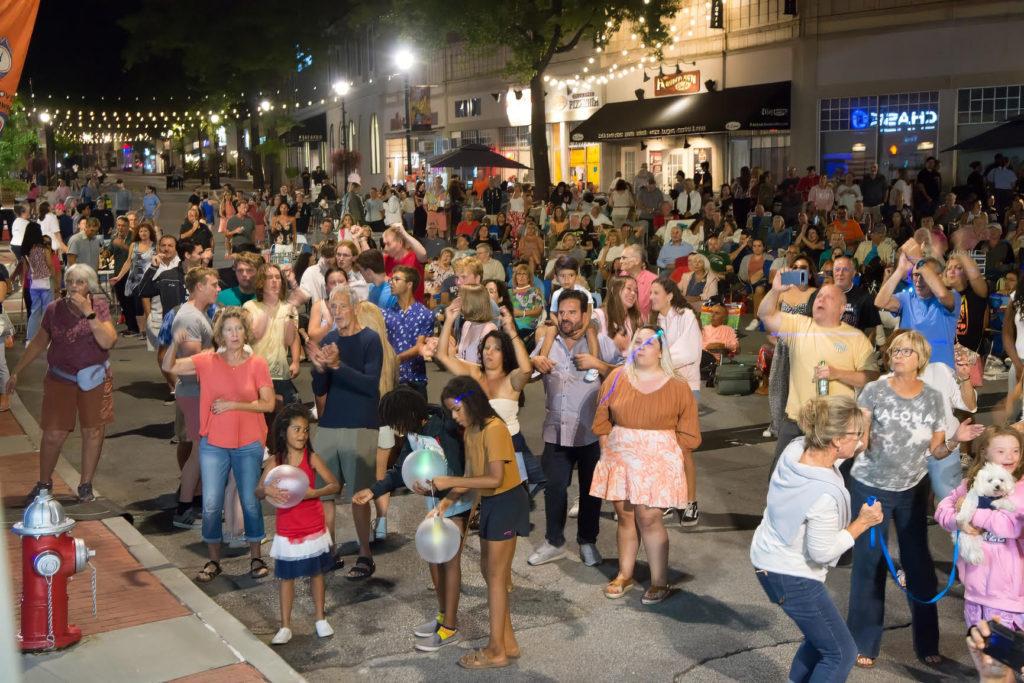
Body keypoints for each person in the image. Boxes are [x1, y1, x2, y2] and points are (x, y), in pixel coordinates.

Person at [847, 330, 978, 668]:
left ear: (921, 358)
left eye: (906, 350)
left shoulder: (933, 397)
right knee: (869, 564)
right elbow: (861, 435)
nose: (898, 354)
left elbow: (935, 451)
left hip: (911, 490)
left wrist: (955, 440)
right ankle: (863, 641)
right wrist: (850, 443)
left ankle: (927, 643)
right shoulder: (874, 390)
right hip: (870, 487)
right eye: (895, 350)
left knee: (918, 566)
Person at [750, 396, 883, 683]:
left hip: (768, 560)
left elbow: (854, 446)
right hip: (792, 576)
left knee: (820, 640)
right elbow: (822, 552)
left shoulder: (796, 448)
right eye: (856, 434)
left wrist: (864, 422)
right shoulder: (823, 494)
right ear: (835, 439)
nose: (861, 440)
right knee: (841, 653)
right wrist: (863, 523)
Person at [163, 307, 276, 582]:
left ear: (245, 332)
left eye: (238, 329)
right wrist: (174, 343)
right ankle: (213, 561)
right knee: (212, 503)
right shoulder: (206, 361)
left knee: (250, 501)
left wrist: (233, 405)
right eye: (228, 329)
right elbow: (169, 367)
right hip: (214, 443)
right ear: (220, 334)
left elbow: (268, 403)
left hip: (249, 441)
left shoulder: (257, 364)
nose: (234, 334)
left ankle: (256, 556)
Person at [591, 326, 700, 603]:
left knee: (649, 518)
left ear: (661, 350)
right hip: (621, 456)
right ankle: (625, 574)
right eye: (637, 341)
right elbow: (602, 419)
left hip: (657, 460)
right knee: (626, 517)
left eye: (648, 343)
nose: (641, 346)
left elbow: (689, 435)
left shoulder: (677, 385)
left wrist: (668, 459)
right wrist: (607, 450)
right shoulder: (616, 378)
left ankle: (659, 582)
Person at [429, 376, 529, 669]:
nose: (455, 417)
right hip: (492, 504)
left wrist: (449, 480)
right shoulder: (472, 430)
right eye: (451, 412)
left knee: (496, 578)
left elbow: (495, 478)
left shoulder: (494, 428)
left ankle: (496, 650)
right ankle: (507, 642)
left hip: (507, 501)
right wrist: (446, 502)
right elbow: (475, 475)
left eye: (458, 409)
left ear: (472, 402)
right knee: (490, 574)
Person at [8, 264, 118, 503]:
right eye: (70, 282)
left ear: (89, 285)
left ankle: (85, 484)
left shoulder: (98, 307)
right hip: (61, 378)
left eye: (80, 282)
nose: (74, 287)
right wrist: (16, 372)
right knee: (53, 434)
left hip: (94, 378)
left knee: (93, 431)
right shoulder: (53, 309)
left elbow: (108, 341)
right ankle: (44, 484)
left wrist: (89, 313)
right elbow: (39, 341)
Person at [529, 289, 619, 567]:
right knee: (554, 488)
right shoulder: (547, 342)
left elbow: (621, 375)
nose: (566, 318)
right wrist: (535, 362)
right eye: (562, 312)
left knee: (591, 491)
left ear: (584, 314)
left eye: (572, 312)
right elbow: (529, 374)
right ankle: (554, 541)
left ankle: (587, 541)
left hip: (592, 431)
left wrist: (598, 363)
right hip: (556, 429)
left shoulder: (601, 341)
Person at [759, 269, 879, 468]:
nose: (820, 300)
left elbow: (871, 377)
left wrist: (837, 374)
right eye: (819, 296)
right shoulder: (798, 325)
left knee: (829, 483)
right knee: (781, 477)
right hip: (796, 421)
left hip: (835, 425)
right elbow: (765, 314)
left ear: (842, 308)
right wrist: (775, 291)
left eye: (828, 297)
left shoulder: (856, 338)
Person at [306, 285, 383, 579]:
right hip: (330, 425)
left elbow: (369, 385)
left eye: (341, 306)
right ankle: (329, 550)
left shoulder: (370, 339)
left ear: (355, 307)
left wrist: (337, 366)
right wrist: (318, 370)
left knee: (359, 495)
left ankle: (365, 554)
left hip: (360, 424)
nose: (337, 312)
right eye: (332, 307)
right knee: (325, 493)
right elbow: (320, 389)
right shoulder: (330, 339)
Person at [436, 300, 546, 494]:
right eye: (486, 347)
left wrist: (511, 331)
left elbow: (527, 369)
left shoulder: (512, 379)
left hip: (511, 445)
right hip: (479, 443)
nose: (490, 352)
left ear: (505, 353)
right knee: (484, 493)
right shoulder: (474, 373)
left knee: (512, 495)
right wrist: (449, 321)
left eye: (496, 348)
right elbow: (443, 356)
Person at [258, 405, 340, 645]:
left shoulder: (312, 458)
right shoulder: (275, 461)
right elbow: (257, 491)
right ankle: (285, 626)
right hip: (288, 528)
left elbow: (334, 485)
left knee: (317, 573)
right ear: (284, 431)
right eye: (297, 429)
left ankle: (320, 618)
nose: (302, 434)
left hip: (312, 525)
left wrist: (315, 492)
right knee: (286, 577)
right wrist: (266, 489)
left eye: (305, 430)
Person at [935, 426, 1024, 636]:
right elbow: (942, 509)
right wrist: (959, 522)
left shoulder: (1020, 489)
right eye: (1001, 451)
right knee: (981, 652)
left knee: (1006, 656)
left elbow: (1009, 526)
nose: (1009, 456)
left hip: (1009, 593)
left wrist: (971, 513)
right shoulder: (969, 484)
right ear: (984, 452)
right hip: (975, 588)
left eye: (1016, 450)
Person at [649, 277, 703, 524]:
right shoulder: (657, 321)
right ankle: (670, 499)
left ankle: (690, 502)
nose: (651, 297)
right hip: (663, 388)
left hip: (685, 388)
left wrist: (658, 361)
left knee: (683, 450)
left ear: (670, 295)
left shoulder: (686, 317)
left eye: (656, 292)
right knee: (664, 449)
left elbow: (690, 352)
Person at [168, 267, 219, 529]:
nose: (218, 288)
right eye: (213, 284)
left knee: (201, 451)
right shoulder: (189, 317)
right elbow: (195, 363)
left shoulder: (197, 314)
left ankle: (194, 503)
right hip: (194, 391)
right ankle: (185, 508)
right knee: (199, 451)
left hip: (196, 391)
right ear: (199, 287)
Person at [353, 302, 400, 542]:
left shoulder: (357, 350)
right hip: (385, 425)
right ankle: (381, 523)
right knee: (381, 478)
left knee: (361, 481)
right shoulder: (391, 352)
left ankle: (364, 534)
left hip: (362, 424)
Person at [875, 254, 959, 369]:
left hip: (941, 371)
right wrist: (899, 271)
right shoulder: (906, 297)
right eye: (915, 275)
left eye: (923, 275)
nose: (918, 281)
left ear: (938, 277)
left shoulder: (953, 296)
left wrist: (919, 261)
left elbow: (943, 295)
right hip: (909, 369)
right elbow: (880, 302)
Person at [244, 264, 301, 417]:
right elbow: (254, 335)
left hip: (281, 372)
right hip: (256, 374)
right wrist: (268, 310)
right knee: (260, 422)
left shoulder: (289, 308)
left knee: (283, 422)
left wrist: (295, 361)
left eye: (277, 277)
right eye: (270, 278)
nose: (275, 281)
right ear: (261, 282)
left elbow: (290, 339)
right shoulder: (250, 306)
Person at [383, 265, 434, 398]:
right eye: (391, 280)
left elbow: (419, 347)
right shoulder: (386, 314)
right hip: (391, 380)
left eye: (396, 279)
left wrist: (394, 360)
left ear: (409, 284)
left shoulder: (425, 314)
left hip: (416, 380)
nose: (391, 283)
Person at [110, 221, 155, 339]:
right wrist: (119, 277)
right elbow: (128, 262)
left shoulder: (156, 246)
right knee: (137, 306)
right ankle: (142, 331)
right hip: (134, 280)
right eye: (141, 231)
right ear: (138, 233)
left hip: (149, 279)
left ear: (150, 232)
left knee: (149, 306)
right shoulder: (133, 245)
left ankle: (151, 330)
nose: (143, 233)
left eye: (146, 231)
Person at [382, 225, 429, 303]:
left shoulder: (414, 258)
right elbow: (369, 267)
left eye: (388, 244)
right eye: (384, 244)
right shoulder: (386, 259)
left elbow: (423, 255)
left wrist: (404, 233)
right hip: (393, 308)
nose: (385, 248)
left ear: (400, 242)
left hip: (414, 309)